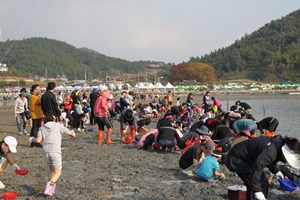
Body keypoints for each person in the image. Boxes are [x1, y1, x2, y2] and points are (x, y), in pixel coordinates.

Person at [225, 135, 300, 200]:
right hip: (236, 159)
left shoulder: (278, 145)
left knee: (264, 182)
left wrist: (276, 170)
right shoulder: (271, 151)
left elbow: (268, 160)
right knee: (252, 185)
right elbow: (257, 168)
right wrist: (257, 190)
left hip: (249, 160)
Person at [30, 113, 76, 197]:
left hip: (46, 152)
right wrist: (72, 133)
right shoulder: (58, 125)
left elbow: (38, 140)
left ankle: (49, 190)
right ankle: (48, 189)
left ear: (44, 121)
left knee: (52, 170)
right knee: (58, 172)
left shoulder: (42, 128)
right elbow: (69, 132)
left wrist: (31, 139)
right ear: (54, 119)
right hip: (55, 152)